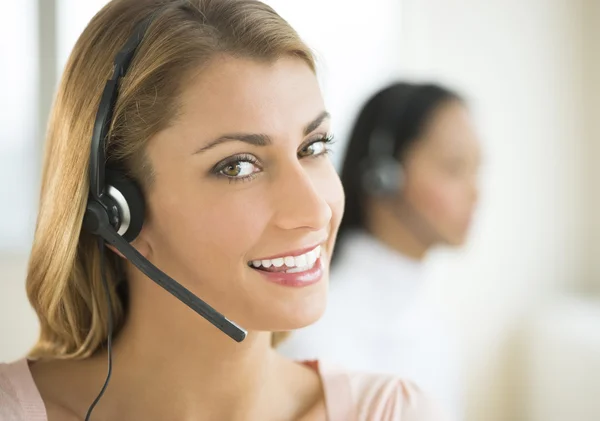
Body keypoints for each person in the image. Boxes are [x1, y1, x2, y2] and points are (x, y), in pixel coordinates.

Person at [0, 2, 450, 420]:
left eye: (313, 147)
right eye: (237, 166)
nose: (315, 209)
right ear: (115, 211)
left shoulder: (391, 411)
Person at [278, 82, 481, 419]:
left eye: (477, 168)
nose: (476, 191)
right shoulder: (318, 329)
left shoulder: (433, 322)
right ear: (383, 174)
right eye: (454, 166)